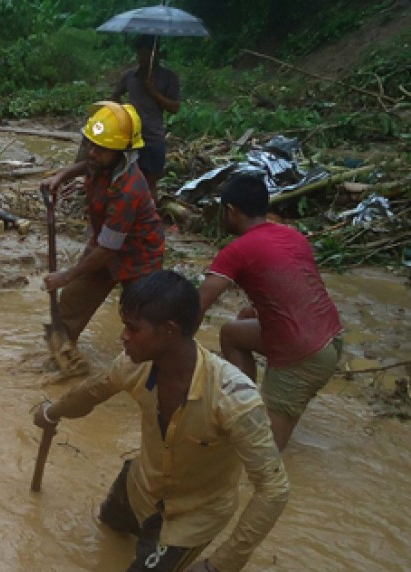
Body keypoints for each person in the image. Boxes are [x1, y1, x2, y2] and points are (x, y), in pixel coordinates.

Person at [33, 270, 289, 572]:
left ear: (169, 330)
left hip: (190, 517)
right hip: (141, 483)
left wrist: (217, 569)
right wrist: (53, 412)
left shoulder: (235, 400)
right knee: (108, 528)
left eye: (133, 329)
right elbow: (92, 392)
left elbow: (274, 489)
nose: (123, 337)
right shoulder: (134, 365)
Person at [197, 174, 343, 450]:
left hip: (302, 356)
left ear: (230, 211)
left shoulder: (236, 250)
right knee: (233, 331)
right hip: (331, 338)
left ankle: (254, 426)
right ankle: (244, 404)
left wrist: (168, 355)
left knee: (262, 454)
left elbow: (198, 304)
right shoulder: (291, 235)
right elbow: (298, 290)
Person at [40, 101, 165, 373]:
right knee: (70, 305)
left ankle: (148, 375)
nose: (92, 153)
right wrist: (61, 176)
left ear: (121, 152)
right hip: (104, 248)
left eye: (100, 148)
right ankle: (61, 358)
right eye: (91, 145)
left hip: (137, 259)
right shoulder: (103, 161)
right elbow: (88, 165)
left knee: (141, 320)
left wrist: (66, 275)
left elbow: (109, 249)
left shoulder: (128, 189)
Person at [110, 35, 180, 198]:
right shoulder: (129, 76)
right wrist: (122, 114)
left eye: (146, 55)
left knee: (150, 183)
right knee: (127, 180)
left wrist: (153, 91)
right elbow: (114, 96)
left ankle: (148, 219)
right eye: (139, 54)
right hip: (130, 137)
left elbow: (174, 108)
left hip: (153, 138)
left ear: (155, 55)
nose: (142, 59)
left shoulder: (169, 77)